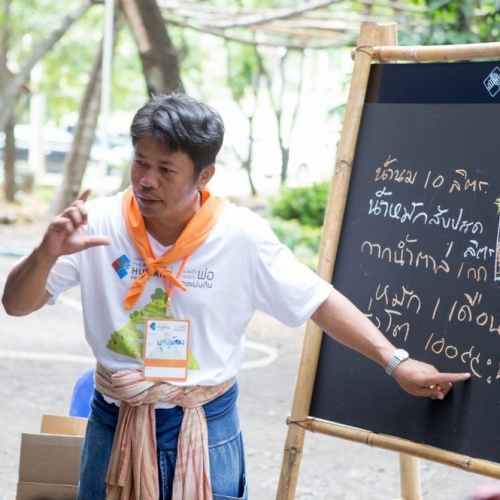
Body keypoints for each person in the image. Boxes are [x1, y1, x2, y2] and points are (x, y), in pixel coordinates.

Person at [1, 92, 471, 500]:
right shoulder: (98, 222)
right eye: (140, 162)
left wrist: (395, 362)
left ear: (204, 175)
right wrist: (44, 254)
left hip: (205, 425)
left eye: (166, 169)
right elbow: (15, 305)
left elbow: (317, 299)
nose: (146, 180)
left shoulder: (240, 235)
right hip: (114, 420)